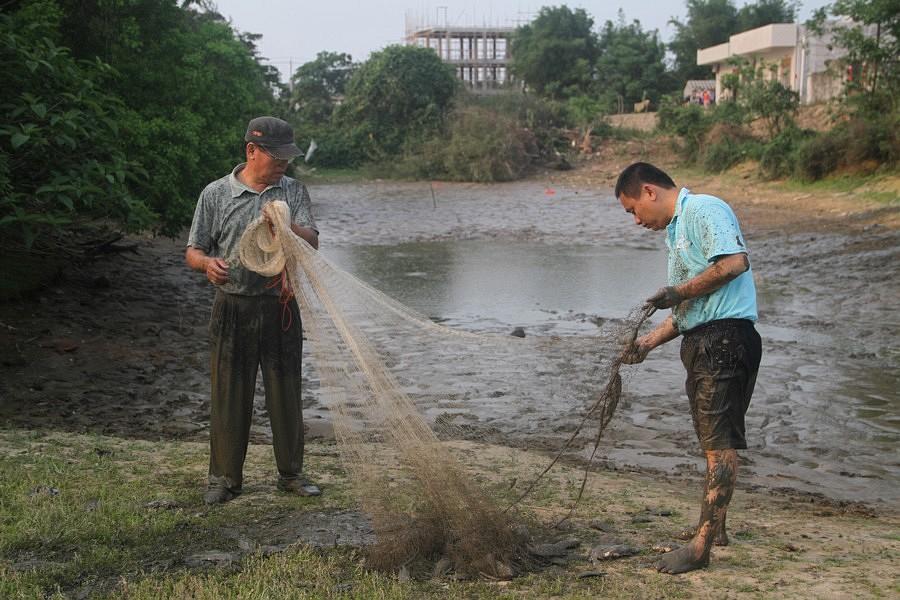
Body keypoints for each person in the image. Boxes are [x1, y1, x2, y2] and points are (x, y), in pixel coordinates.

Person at [616, 162, 762, 574]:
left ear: (648, 191)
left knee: (719, 445)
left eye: (631, 210)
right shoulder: (675, 233)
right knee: (712, 440)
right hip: (704, 340)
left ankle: (701, 549)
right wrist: (644, 344)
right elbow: (686, 311)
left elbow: (734, 263)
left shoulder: (703, 209)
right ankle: (714, 529)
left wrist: (676, 291)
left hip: (725, 340)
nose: (635, 220)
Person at [185, 116, 322, 505]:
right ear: (251, 151)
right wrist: (206, 265)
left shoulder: (292, 191)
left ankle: (291, 474)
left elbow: (312, 241)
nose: (284, 164)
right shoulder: (215, 194)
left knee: (286, 393)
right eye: (276, 156)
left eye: (287, 157)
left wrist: (286, 226)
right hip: (232, 306)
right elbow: (194, 250)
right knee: (229, 393)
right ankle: (224, 479)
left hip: (281, 305)